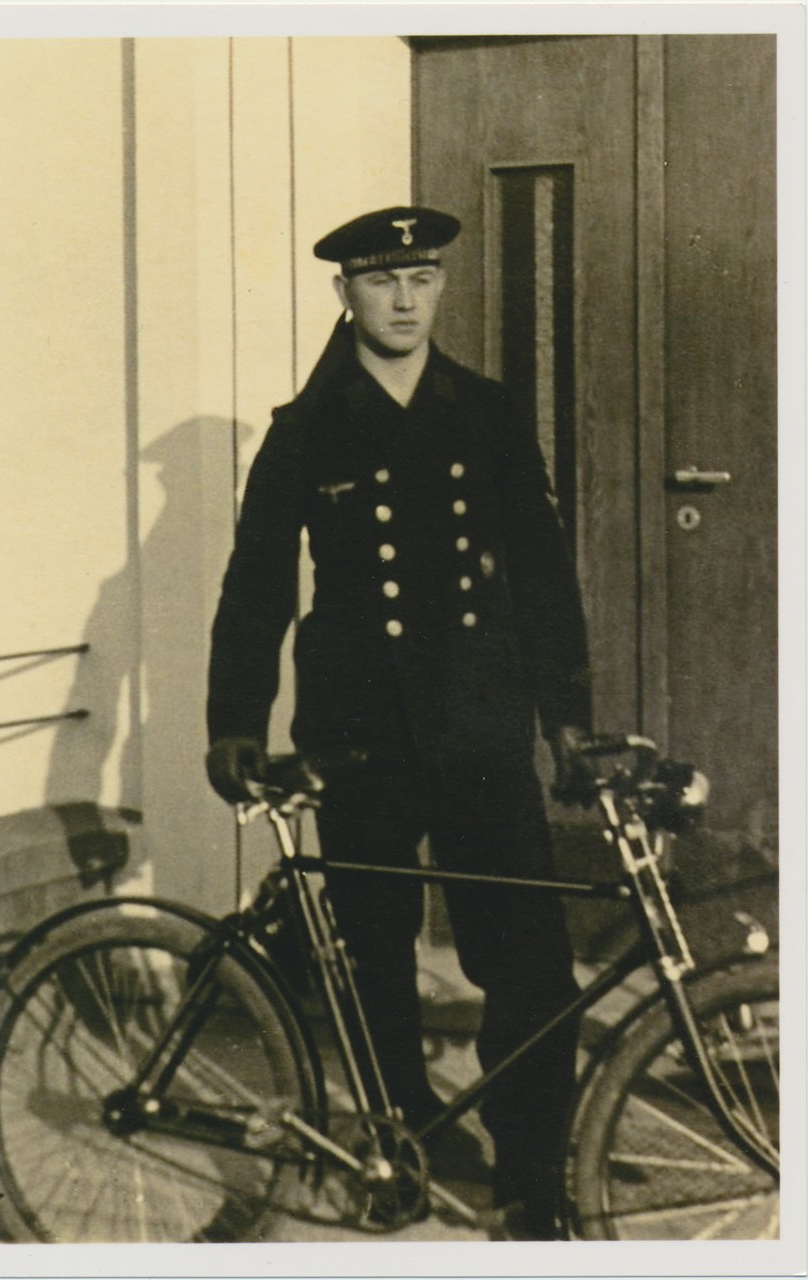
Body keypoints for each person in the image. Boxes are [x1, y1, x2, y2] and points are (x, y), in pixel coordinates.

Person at [206, 206, 592, 1239]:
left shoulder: (487, 412)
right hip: (359, 731)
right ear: (346, 294)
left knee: (528, 958)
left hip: (478, 725)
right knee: (373, 958)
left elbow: (542, 571)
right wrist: (236, 716)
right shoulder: (306, 428)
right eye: (382, 281)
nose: (406, 300)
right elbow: (256, 582)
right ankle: (398, 1146)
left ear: (441, 286)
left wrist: (567, 716)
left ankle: (532, 1172)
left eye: (421, 277)